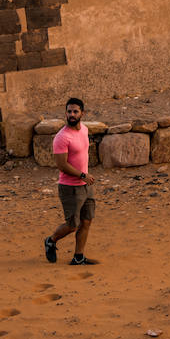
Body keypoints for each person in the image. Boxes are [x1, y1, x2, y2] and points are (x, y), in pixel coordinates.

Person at [43, 97, 98, 265]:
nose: (72, 114)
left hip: (86, 186)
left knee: (86, 221)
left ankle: (78, 257)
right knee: (72, 225)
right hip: (70, 187)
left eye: (75, 111)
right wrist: (82, 175)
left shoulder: (84, 130)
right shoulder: (61, 137)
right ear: (65, 113)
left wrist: (85, 177)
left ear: (82, 113)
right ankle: (51, 241)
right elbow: (62, 165)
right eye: (69, 111)